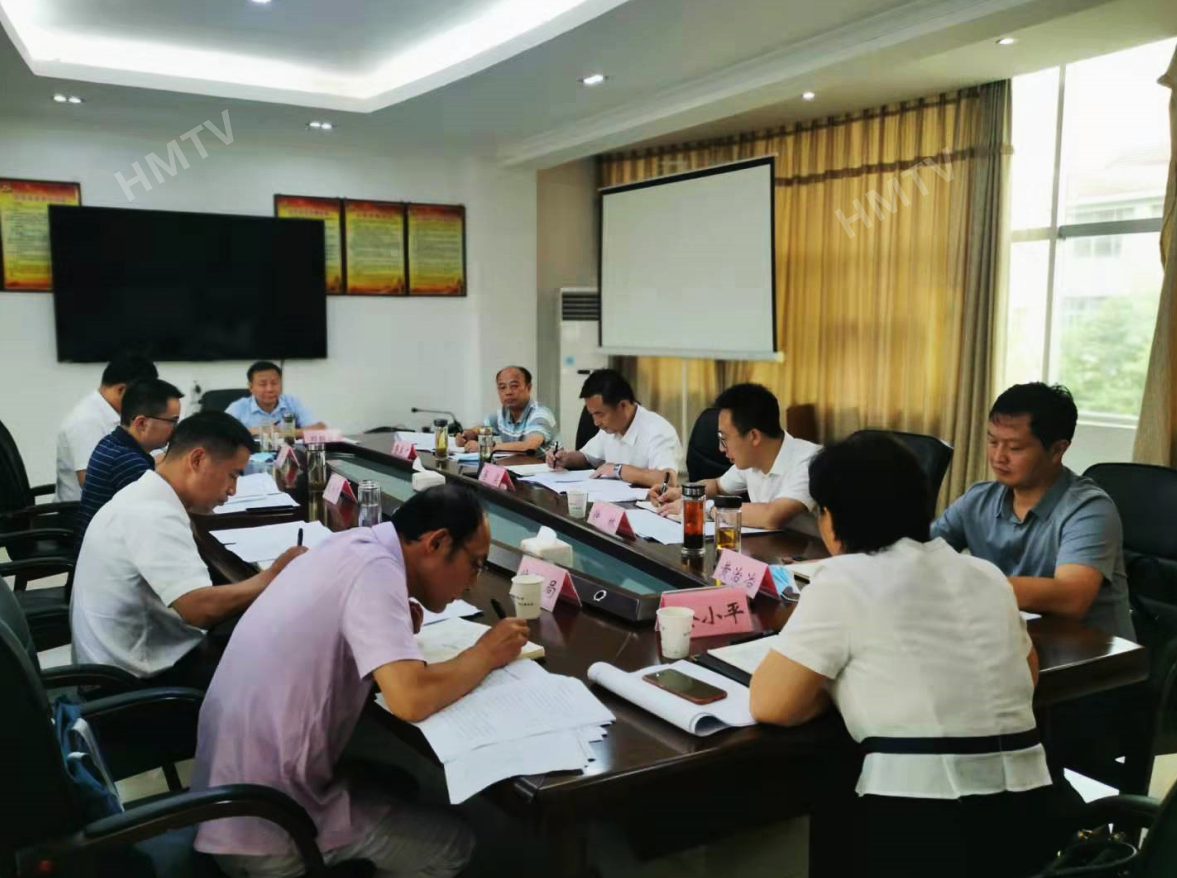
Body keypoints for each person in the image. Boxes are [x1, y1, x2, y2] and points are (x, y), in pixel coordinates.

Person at [749, 433, 1059, 878]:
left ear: (832, 518)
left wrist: (836, 687)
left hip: (924, 823)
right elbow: (1026, 675)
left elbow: (772, 705)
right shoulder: (986, 575)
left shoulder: (844, 579)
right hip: (1032, 813)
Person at [191, 484, 530, 878]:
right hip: (268, 824)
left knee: (395, 781)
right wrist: (485, 653)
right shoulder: (376, 572)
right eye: (476, 564)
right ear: (437, 543)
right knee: (454, 843)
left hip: (223, 799)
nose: (474, 582)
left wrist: (394, 623)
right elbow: (410, 699)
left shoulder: (352, 546)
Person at [71, 412, 305, 687]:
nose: (233, 489)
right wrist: (274, 574)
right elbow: (199, 610)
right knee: (287, 663)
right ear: (197, 460)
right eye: (232, 475)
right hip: (134, 684)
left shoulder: (145, 493)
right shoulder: (153, 515)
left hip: (125, 658)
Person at [932, 383, 1133, 640]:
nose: (998, 457)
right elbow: (919, 550)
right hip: (1013, 643)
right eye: (993, 442)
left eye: (1015, 448)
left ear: (1057, 450)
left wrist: (970, 583)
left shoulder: (1089, 510)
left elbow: (1071, 597)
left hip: (1090, 655)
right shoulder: (978, 499)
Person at [648, 383, 820, 534]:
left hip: (811, 556)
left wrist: (701, 508)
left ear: (754, 436)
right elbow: (717, 486)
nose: (721, 448)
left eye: (724, 438)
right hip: (775, 549)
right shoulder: (752, 459)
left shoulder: (809, 461)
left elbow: (771, 516)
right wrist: (680, 493)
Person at [74, 378, 184, 553]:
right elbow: (162, 521)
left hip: (95, 547)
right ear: (141, 423)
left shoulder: (111, 442)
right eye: (173, 421)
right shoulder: (128, 463)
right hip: (107, 556)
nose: (175, 430)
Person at [545, 369, 682, 489]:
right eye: (592, 415)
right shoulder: (611, 428)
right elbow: (587, 457)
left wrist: (619, 470)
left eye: (600, 414)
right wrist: (565, 458)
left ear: (623, 405)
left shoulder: (658, 431)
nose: (596, 423)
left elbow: (669, 480)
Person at [55, 353, 158, 502]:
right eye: (142, 397)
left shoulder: (114, 413)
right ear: (121, 390)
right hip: (81, 511)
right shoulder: (86, 421)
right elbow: (91, 482)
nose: (145, 403)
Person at [458, 365, 559, 455]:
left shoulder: (540, 413)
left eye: (514, 386)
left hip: (544, 468)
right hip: (516, 467)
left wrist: (486, 447)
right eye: (502, 387)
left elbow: (529, 446)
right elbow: (477, 430)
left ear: (528, 388)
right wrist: (466, 436)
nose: (508, 392)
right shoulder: (502, 414)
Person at [225, 360, 326, 438]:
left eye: (274, 383)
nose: (270, 389)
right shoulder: (239, 407)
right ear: (251, 387)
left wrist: (284, 433)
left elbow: (320, 428)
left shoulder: (292, 402)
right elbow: (220, 432)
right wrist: (257, 431)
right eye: (263, 384)